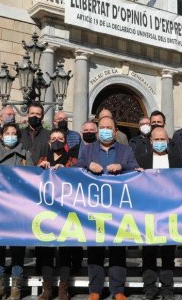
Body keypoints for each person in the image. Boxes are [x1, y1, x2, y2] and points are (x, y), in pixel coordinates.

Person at [74, 115, 140, 300]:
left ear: (115, 131)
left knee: (118, 249)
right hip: (94, 207)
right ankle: (95, 290)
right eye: (101, 127)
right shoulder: (87, 150)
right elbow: (77, 168)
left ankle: (117, 290)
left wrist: (122, 166)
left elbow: (136, 170)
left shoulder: (126, 150)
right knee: (95, 248)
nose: (105, 130)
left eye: (108, 127)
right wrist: (88, 165)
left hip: (118, 208)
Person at [136, 127, 182, 300]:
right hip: (148, 214)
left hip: (169, 213)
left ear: (168, 140)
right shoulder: (140, 161)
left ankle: (167, 288)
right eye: (156, 140)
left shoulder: (177, 162)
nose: (159, 142)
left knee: (168, 253)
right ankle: (149, 287)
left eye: (162, 139)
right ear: (150, 141)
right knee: (148, 252)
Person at [0, 123, 34, 300]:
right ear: (1, 136)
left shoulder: (25, 156)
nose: (11, 136)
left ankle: (16, 288)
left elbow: (32, 180)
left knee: (17, 249)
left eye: (14, 133)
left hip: (18, 209)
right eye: (7, 133)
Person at [35, 129, 79, 300]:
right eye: (53, 138)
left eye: (60, 138)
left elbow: (78, 176)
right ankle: (47, 289)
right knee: (46, 250)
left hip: (66, 211)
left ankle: (63, 289)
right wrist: (39, 170)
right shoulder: (42, 159)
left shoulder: (71, 159)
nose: (56, 141)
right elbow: (32, 179)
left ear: (65, 141)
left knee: (65, 251)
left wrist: (68, 170)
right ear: (48, 142)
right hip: (45, 211)